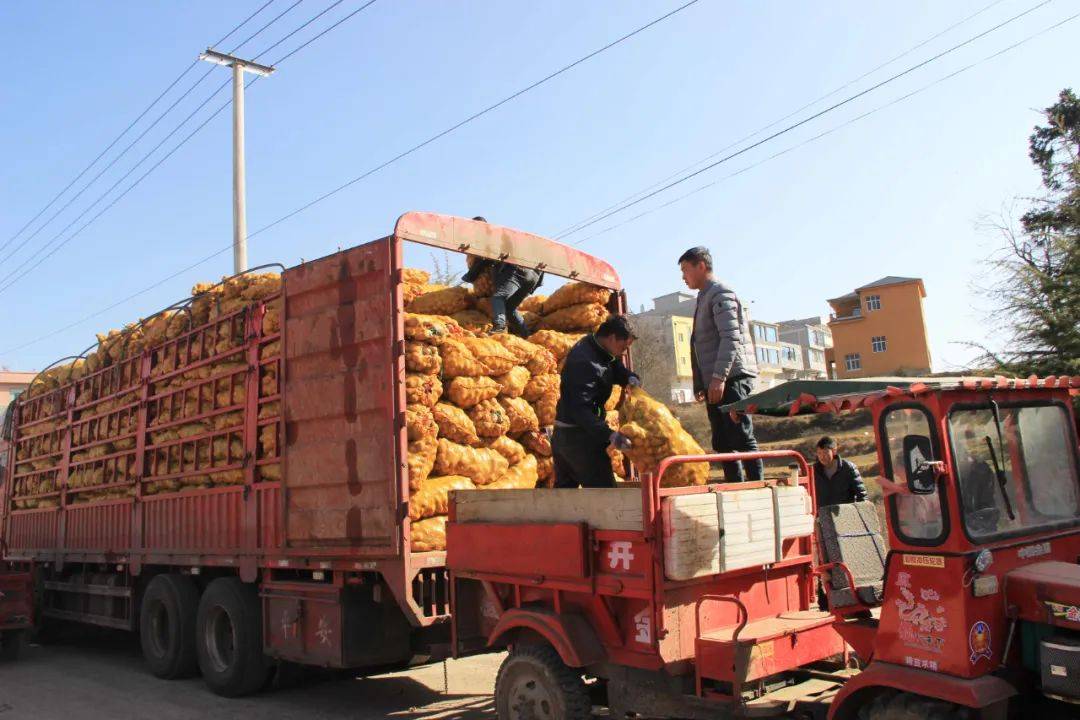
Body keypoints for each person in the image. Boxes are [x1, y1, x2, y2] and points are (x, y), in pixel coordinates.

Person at [678, 246, 762, 482]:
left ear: (701, 266)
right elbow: (701, 344)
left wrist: (719, 377)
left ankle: (758, 487)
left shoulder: (720, 293)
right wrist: (701, 384)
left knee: (741, 435)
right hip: (716, 380)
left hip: (732, 377)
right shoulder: (704, 296)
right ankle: (735, 487)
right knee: (722, 441)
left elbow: (731, 338)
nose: (683, 277)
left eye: (685, 270)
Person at [552, 315, 640, 489]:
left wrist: (629, 378)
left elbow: (613, 365)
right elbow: (580, 410)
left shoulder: (598, 348)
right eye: (623, 347)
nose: (624, 352)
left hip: (566, 435)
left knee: (565, 498)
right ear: (612, 337)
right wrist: (609, 434)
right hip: (578, 440)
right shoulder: (584, 362)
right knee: (605, 494)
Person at [461, 216, 543, 337]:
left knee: (498, 298)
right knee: (509, 308)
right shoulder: (501, 238)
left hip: (517, 271)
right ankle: (526, 335)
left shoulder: (487, 239)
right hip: (533, 276)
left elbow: (482, 261)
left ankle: (499, 326)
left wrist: (469, 276)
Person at [958, 429, 1000, 535]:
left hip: (983, 522)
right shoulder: (958, 470)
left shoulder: (983, 468)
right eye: (968, 442)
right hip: (967, 525)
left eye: (973, 442)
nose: (971, 446)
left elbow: (988, 497)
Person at [812, 436, 868, 509]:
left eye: (825, 452)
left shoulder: (848, 468)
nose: (822, 457)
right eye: (819, 453)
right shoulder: (814, 470)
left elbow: (862, 495)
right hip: (823, 516)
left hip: (845, 514)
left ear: (834, 451)